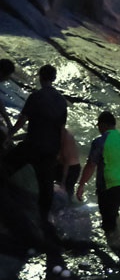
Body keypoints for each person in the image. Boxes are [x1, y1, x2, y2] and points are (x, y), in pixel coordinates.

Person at [4, 64, 67, 224]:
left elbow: (22, 120)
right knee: (46, 187)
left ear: (40, 77)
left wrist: (9, 135)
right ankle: (44, 220)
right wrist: (59, 152)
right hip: (50, 150)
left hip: (32, 144)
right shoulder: (61, 101)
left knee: (6, 166)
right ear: (54, 79)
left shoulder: (36, 96)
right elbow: (61, 130)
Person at [76, 110, 120, 234]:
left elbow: (91, 165)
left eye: (98, 125)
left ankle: (116, 245)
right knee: (113, 211)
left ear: (102, 125)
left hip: (112, 190)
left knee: (108, 226)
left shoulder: (100, 141)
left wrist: (81, 185)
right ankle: (118, 226)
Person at [56, 128, 81, 202]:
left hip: (70, 169)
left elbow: (66, 160)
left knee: (66, 191)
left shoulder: (64, 135)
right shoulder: (60, 132)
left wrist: (63, 183)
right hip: (64, 166)